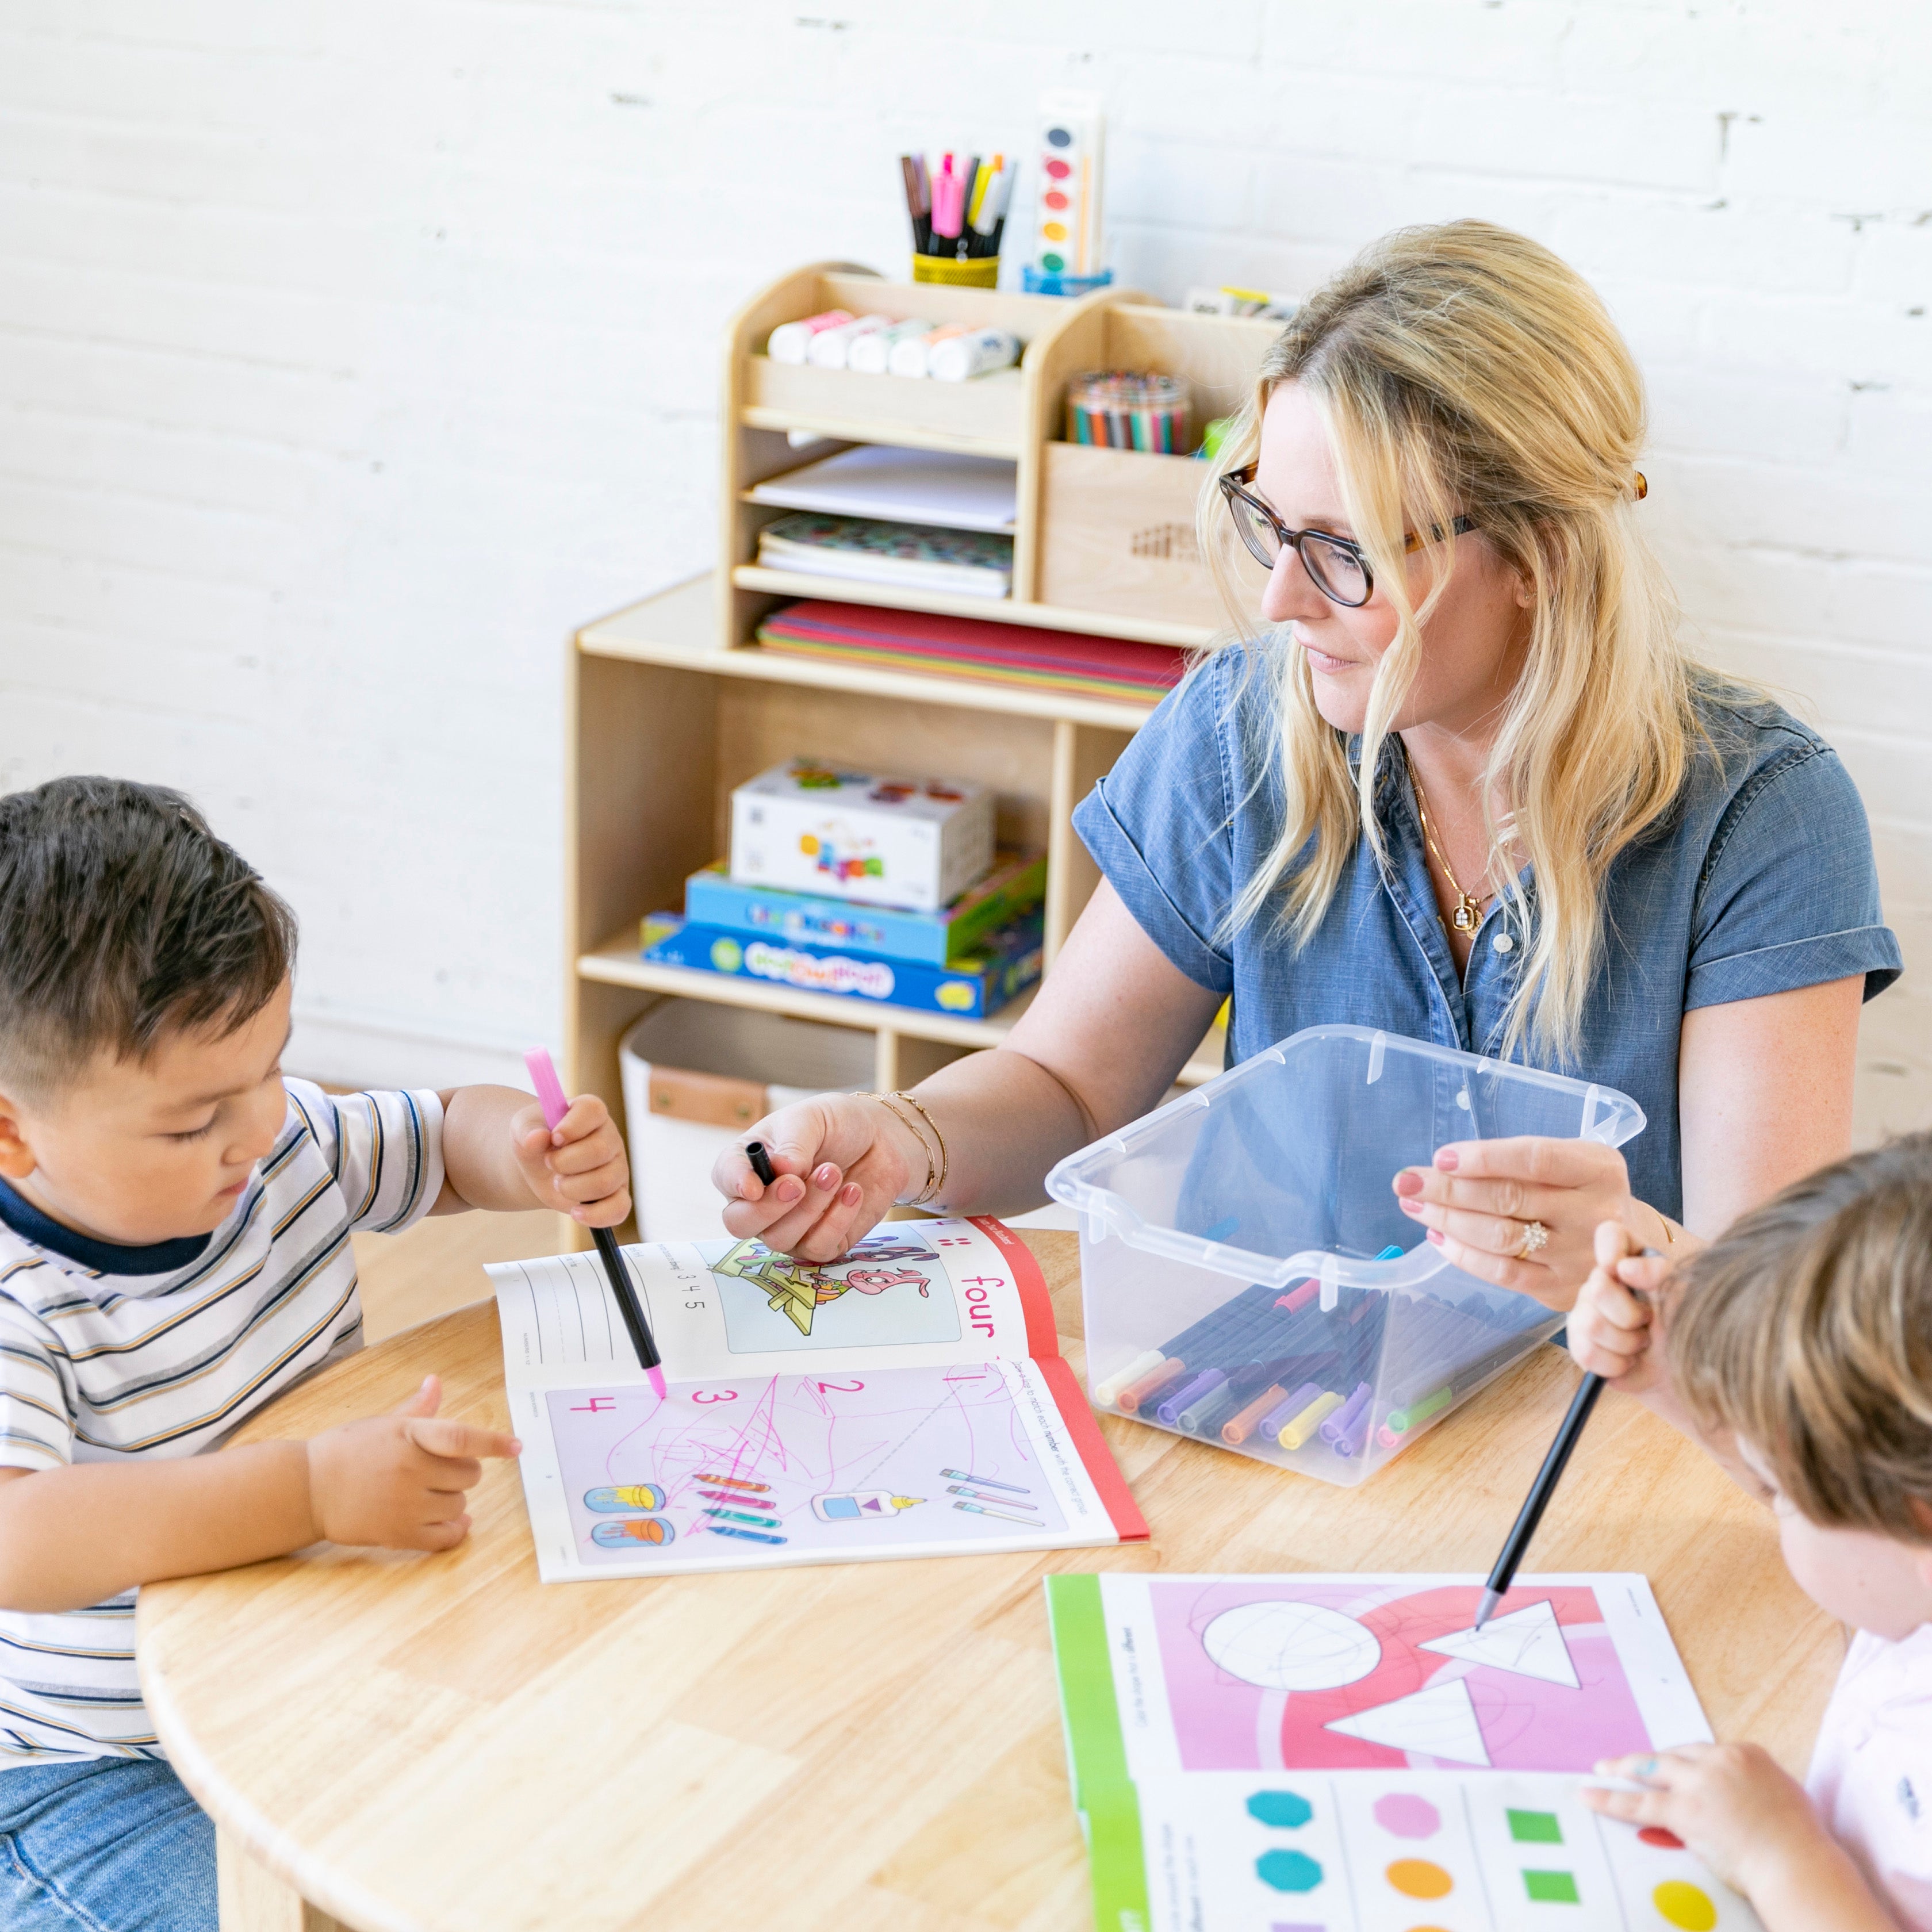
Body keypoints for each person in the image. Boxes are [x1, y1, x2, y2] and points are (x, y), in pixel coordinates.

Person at [714, 221, 1898, 1302]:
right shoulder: (1243, 731)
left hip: (1595, 1443)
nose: (1281, 599)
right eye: (1271, 526)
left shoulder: (1762, 819)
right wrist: (903, 1140)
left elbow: (1771, 1316)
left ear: (1538, 552)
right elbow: (1070, 1088)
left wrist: (1634, 1256)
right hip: (1284, 1401)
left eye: (1344, 550)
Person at [0, 777, 631, 1932]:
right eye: (193, 1121)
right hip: (91, 1768)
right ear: (11, 1129)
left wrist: (523, 1150)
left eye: (274, 1065)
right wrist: (310, 1488)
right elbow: (20, 1537)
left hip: (299, 1663)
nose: (256, 1130)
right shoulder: (18, 1297)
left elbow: (440, 1141)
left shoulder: (276, 1143)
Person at [1580, 1134, 1932, 1931]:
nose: (1762, 1494)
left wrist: (1783, 1855)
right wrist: (1670, 1374)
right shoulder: (1906, 1598)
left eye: (1776, 1491)